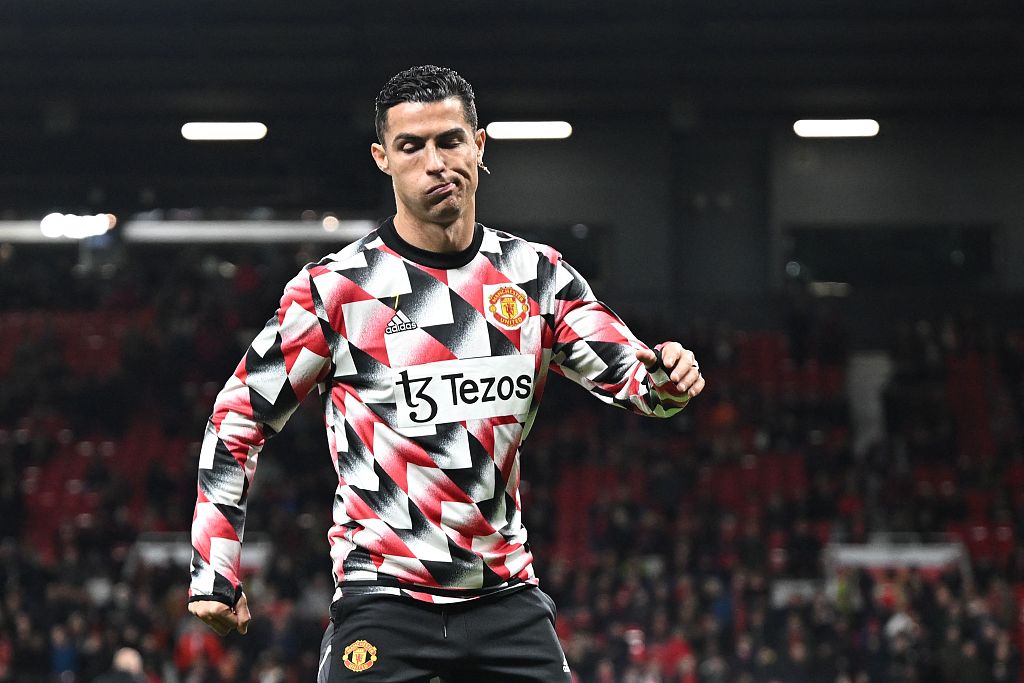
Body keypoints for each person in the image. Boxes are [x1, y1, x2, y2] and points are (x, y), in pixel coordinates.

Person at [187, 64, 705, 682]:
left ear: (478, 145)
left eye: (450, 141)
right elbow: (237, 417)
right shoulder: (338, 291)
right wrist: (215, 570)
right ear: (383, 158)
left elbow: (637, 383)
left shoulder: (536, 277)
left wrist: (670, 381)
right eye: (411, 146)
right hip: (383, 599)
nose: (435, 162)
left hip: (505, 596)